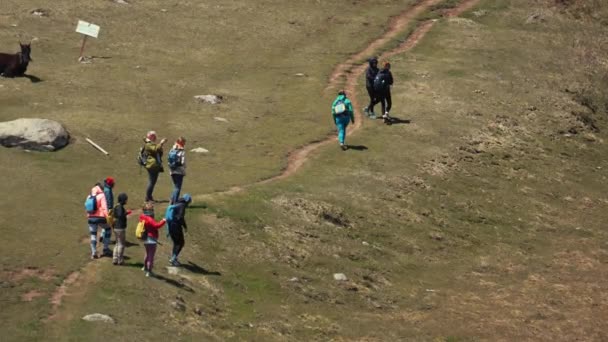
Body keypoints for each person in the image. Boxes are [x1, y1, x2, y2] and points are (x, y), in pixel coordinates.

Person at [140, 202, 166, 277]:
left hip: (145, 238)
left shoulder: (142, 217)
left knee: (147, 253)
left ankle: (144, 267)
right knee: (151, 255)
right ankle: (149, 271)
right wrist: (163, 220)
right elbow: (156, 225)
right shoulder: (150, 219)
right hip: (151, 239)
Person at [167, 194, 192, 266]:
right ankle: (173, 259)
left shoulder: (177, 202)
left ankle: (173, 257)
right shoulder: (182, 205)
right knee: (180, 243)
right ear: (187, 201)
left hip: (170, 225)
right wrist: (184, 226)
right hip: (176, 226)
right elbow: (180, 217)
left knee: (176, 242)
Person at [143, 131, 167, 202]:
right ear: (151, 136)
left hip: (154, 165)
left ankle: (149, 196)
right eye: (154, 136)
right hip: (152, 165)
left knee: (152, 182)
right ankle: (148, 197)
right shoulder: (148, 144)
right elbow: (155, 149)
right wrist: (161, 143)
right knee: (151, 182)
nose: (156, 137)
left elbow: (158, 151)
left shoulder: (151, 144)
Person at [86, 183, 109, 260]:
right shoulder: (102, 195)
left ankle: (93, 252)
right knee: (108, 229)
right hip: (100, 217)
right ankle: (105, 248)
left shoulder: (89, 196)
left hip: (91, 218)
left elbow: (87, 207)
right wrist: (108, 217)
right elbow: (104, 207)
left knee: (93, 235)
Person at [112, 193, 132, 265]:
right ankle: (120, 260)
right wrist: (126, 213)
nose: (127, 201)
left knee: (117, 243)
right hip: (120, 228)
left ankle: (115, 258)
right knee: (121, 244)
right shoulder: (120, 207)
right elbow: (120, 215)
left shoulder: (116, 206)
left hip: (115, 227)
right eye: (126, 199)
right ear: (123, 200)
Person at [168, 137, 187, 204]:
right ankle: (174, 202)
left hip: (172, 170)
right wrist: (184, 169)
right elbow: (183, 162)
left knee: (175, 187)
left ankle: (172, 200)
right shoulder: (182, 151)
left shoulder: (172, 149)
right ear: (182, 143)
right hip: (179, 171)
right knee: (177, 187)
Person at [101, 177, 115, 256]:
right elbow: (109, 201)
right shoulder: (108, 191)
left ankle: (102, 237)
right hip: (108, 210)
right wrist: (110, 209)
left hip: (104, 209)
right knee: (108, 224)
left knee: (105, 224)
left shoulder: (106, 188)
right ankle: (105, 239)